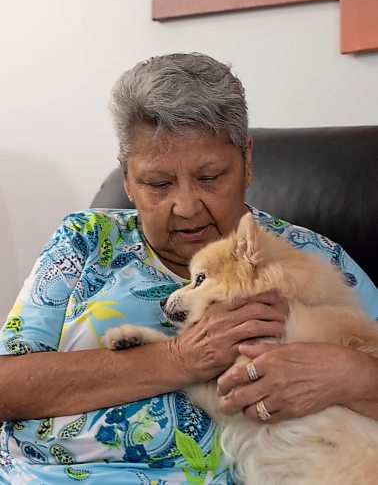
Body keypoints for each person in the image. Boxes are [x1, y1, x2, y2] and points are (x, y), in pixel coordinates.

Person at [0, 53, 377, 484]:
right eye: (158, 184)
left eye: (210, 177)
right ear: (126, 178)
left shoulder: (312, 259)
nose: (186, 206)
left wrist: (356, 375)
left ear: (247, 162)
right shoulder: (85, 240)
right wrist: (181, 358)